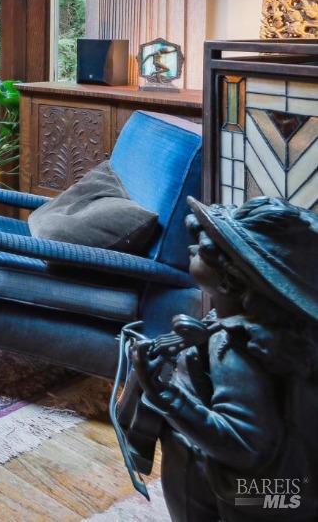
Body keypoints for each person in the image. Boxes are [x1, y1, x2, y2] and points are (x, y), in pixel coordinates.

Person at [123, 195, 318, 521]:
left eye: (200, 250)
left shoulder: (237, 350)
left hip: (253, 498)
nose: (191, 249)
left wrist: (164, 394)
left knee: (187, 464)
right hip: (296, 492)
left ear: (230, 279)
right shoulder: (280, 333)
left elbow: (244, 444)